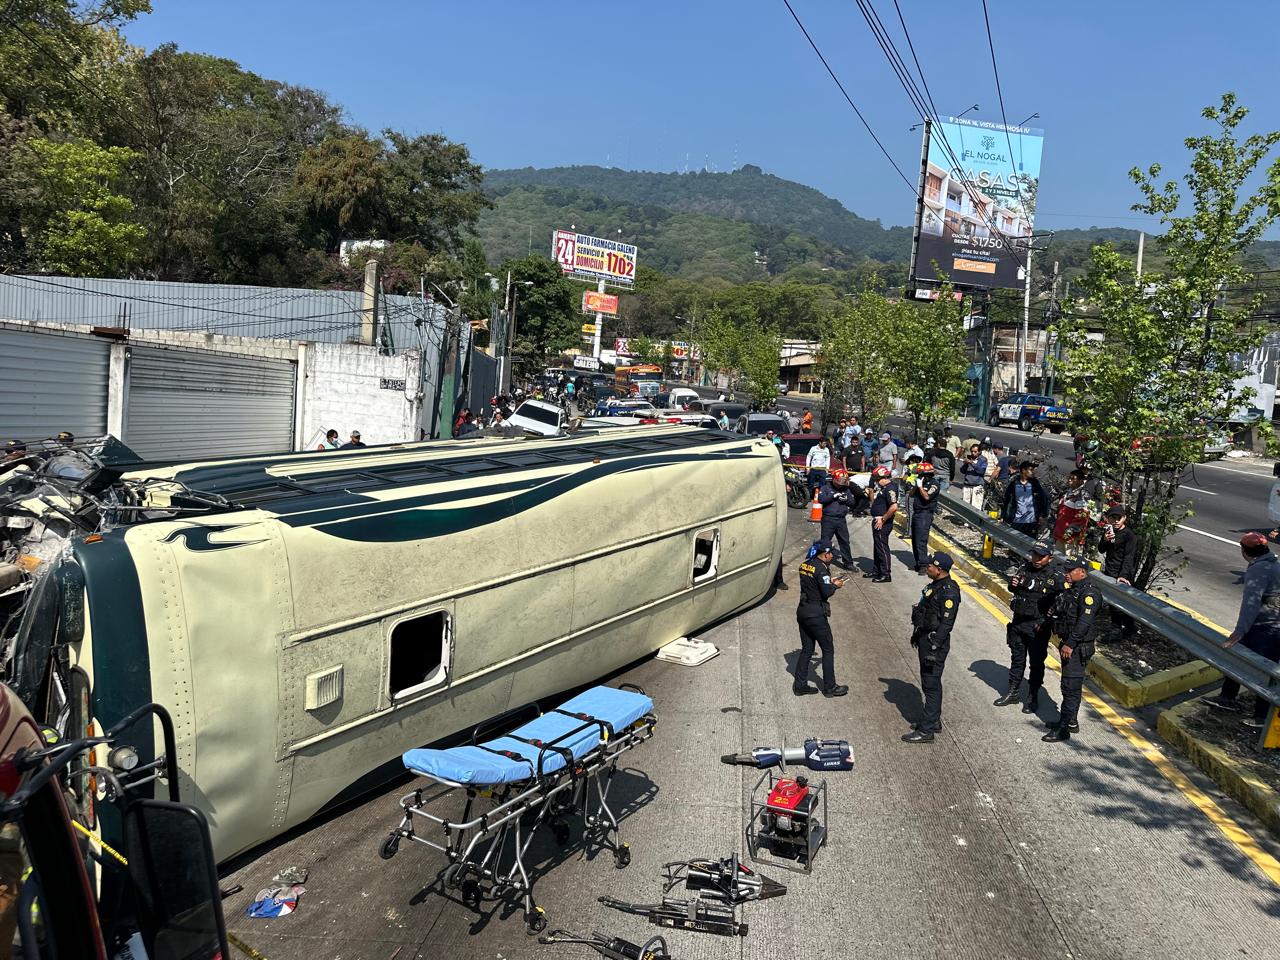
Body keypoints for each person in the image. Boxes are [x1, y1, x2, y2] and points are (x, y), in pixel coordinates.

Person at [1203, 532, 1280, 729]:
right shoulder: (1273, 564)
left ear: (1244, 551)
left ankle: (1261, 716)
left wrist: (1239, 631)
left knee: (1263, 670)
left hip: (1263, 627)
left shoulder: (1258, 570)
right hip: (1273, 625)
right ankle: (1227, 697)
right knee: (1239, 660)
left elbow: (1251, 604)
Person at [996, 542, 1066, 712]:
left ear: (1050, 557)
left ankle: (1033, 696)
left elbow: (1059, 603)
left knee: (1036, 663)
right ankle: (1013, 692)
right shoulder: (1024, 567)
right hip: (1018, 621)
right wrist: (1012, 584)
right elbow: (1014, 588)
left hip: (1037, 626)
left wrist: (1045, 622)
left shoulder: (1055, 576)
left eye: (1041, 556)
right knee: (1017, 659)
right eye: (1034, 555)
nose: (1036, 559)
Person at [902, 552, 962, 743]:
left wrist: (934, 647)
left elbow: (946, 623)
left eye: (930, 566)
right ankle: (933, 720)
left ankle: (926, 731)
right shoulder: (935, 585)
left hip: (934, 643)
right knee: (930, 683)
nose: (927, 567)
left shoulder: (949, 591)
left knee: (931, 685)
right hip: (925, 638)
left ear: (940, 569)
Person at [1043, 559, 1100, 742]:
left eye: (1070, 570)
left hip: (1078, 646)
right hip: (1071, 644)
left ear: (1082, 571)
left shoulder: (1089, 592)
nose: (1066, 572)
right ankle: (1070, 721)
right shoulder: (1074, 589)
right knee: (1069, 686)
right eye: (1066, 569)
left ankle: (1063, 729)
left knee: (1070, 687)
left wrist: (1070, 643)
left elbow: (1085, 622)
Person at [794, 543, 848, 697]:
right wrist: (835, 585)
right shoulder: (821, 569)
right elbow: (826, 592)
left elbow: (813, 585)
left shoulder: (804, 565)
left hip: (803, 611)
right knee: (828, 649)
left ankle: (800, 685)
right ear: (825, 554)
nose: (833, 557)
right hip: (816, 615)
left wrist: (827, 582)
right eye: (832, 554)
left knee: (807, 649)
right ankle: (830, 687)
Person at [1097, 505, 1138, 636]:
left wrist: (1123, 575)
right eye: (1112, 518)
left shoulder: (1129, 536)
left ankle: (1124, 627)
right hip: (1109, 570)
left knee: (1120, 603)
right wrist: (1105, 540)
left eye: (1118, 518)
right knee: (1112, 602)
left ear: (1124, 518)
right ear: (1107, 519)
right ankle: (1119, 626)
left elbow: (1128, 557)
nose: (1115, 521)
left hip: (1122, 574)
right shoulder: (1108, 531)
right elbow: (1101, 550)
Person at [865, 465, 897, 583]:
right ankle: (876, 570)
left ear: (884, 478)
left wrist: (882, 519)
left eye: (878, 480)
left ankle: (885, 573)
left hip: (882, 523)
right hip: (877, 520)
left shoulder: (890, 489)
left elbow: (894, 507)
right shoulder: (884, 488)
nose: (877, 482)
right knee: (877, 547)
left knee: (882, 548)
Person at [818, 468, 855, 569]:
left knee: (845, 541)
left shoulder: (846, 489)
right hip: (828, 519)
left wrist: (846, 500)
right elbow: (821, 499)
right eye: (839, 482)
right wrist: (833, 496)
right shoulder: (825, 488)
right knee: (825, 542)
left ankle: (848, 563)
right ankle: (821, 562)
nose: (840, 485)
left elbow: (852, 503)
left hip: (841, 520)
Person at [1001, 460, 1049, 537]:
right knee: (1014, 543)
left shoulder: (1035, 484)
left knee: (1029, 545)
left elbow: (1043, 500)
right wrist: (1003, 516)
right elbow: (1007, 500)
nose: (1033, 472)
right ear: (1023, 470)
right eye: (1031, 470)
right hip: (1017, 520)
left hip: (1032, 522)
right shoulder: (1014, 484)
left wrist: (1042, 516)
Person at [909, 461, 940, 573]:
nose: (919, 476)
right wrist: (916, 486)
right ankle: (918, 562)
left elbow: (927, 497)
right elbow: (911, 495)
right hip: (917, 513)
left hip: (925, 514)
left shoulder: (934, 484)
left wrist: (920, 487)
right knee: (915, 539)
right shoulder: (920, 483)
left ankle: (923, 565)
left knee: (921, 540)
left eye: (920, 474)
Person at [1052, 470, 1092, 555]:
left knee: (1068, 563)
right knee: (1056, 561)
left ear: (1081, 481)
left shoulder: (1082, 495)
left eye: (1073, 478)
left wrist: (1069, 534)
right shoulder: (1069, 491)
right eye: (1069, 477)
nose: (1069, 480)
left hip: (1070, 539)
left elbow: (1081, 518)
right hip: (1061, 535)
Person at [958, 444, 985, 508]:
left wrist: (971, 463)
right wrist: (965, 464)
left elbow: (981, 471)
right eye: (972, 451)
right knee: (965, 505)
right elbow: (962, 471)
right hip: (967, 485)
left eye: (975, 452)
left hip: (977, 486)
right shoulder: (969, 458)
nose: (973, 453)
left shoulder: (983, 460)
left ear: (979, 452)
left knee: (976, 506)